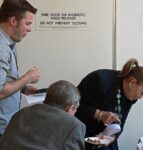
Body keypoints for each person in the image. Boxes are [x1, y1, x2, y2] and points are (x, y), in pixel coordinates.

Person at [75, 58, 143, 150]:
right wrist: (99, 114)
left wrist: (113, 138)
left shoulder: (132, 96)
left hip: (103, 140)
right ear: (132, 82)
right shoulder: (99, 80)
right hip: (81, 133)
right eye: (142, 93)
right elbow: (72, 106)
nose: (140, 97)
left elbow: (121, 122)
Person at [0, 80, 86, 150]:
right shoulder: (74, 126)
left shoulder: (21, 113)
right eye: (75, 109)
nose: (74, 114)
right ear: (70, 107)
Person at [0, 0, 40, 136]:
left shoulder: (9, 41)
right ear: (13, 21)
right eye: (27, 23)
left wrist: (22, 87)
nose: (29, 29)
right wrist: (26, 78)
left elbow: (4, 80)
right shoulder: (1, 47)